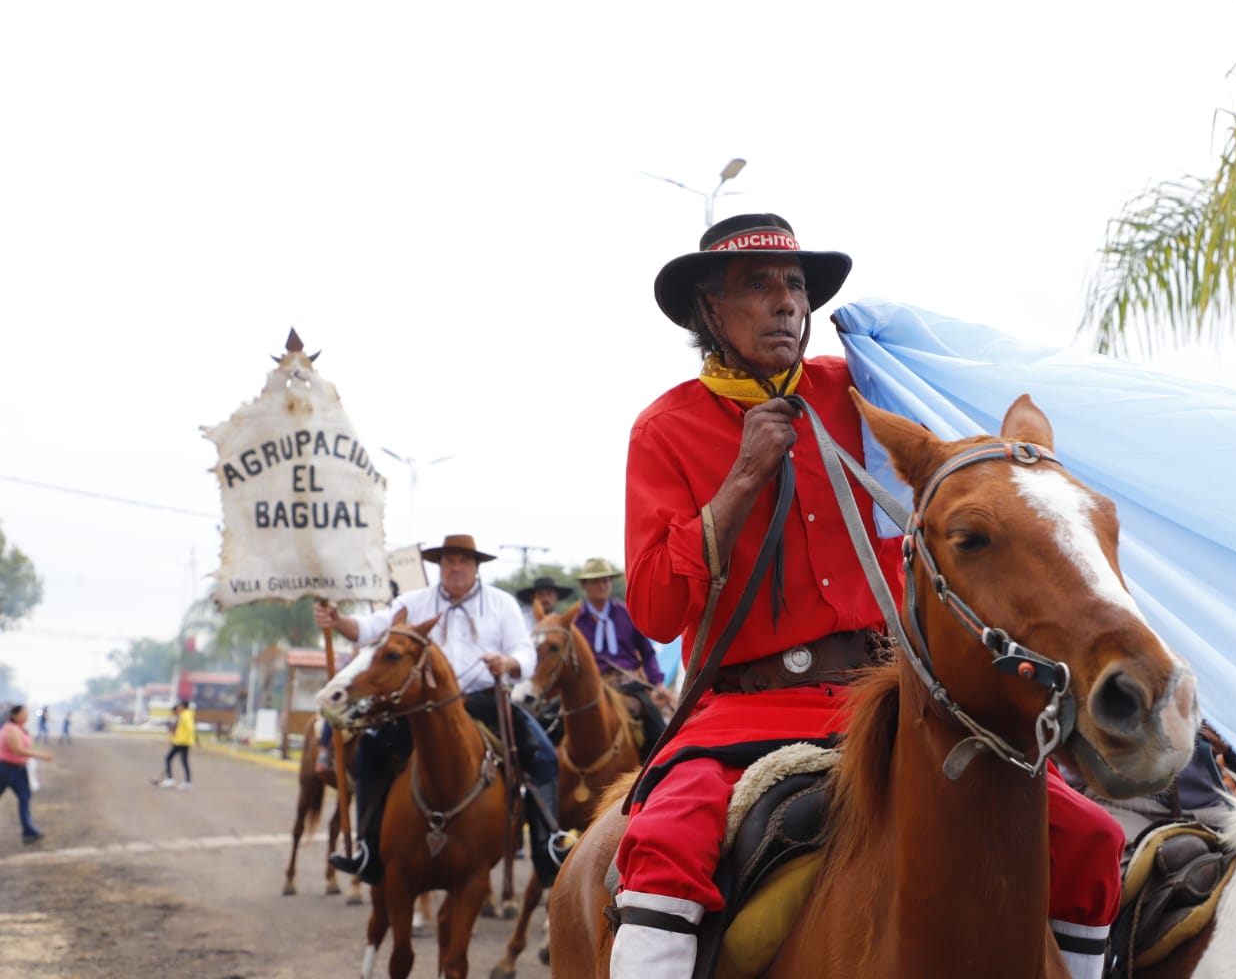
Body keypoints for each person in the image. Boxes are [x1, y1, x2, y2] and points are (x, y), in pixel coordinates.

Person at [611, 213, 1125, 979]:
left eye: (795, 285)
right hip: (749, 709)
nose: (786, 302)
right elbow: (653, 610)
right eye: (759, 286)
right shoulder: (665, 428)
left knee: (1091, 837)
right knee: (665, 846)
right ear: (709, 311)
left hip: (901, 696)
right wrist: (744, 476)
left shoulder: (866, 396)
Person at [314, 533, 561, 885]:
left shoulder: (502, 604)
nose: (455, 567)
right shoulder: (413, 601)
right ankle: (367, 849)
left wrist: (507, 662)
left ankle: (546, 845)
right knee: (370, 748)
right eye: (448, 561)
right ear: (439, 566)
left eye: (463, 561)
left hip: (484, 701)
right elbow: (370, 629)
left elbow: (527, 653)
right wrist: (338, 621)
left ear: (476, 567)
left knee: (544, 756)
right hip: (420, 705)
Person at [571, 556, 671, 750]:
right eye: (596, 581)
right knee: (553, 723)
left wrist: (658, 683)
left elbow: (648, 653)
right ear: (584, 586)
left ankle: (657, 769)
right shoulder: (576, 623)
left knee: (657, 730)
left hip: (629, 685)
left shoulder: (628, 614)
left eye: (606, 580)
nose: (602, 585)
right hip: (593, 686)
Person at [1, 703, 52, 844]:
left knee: (25, 796)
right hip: (5, 768)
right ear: (14, 715)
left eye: (27, 714)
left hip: (18, 769)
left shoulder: (19, 728)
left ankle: (28, 831)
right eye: (23, 714)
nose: (26, 716)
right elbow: (18, 750)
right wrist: (41, 755)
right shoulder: (11, 729)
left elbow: (26, 746)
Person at [155, 699, 197, 789]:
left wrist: (184, 739)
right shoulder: (185, 714)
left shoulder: (185, 716)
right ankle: (187, 782)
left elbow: (191, 729)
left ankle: (170, 779)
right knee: (184, 761)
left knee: (168, 758)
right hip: (182, 741)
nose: (178, 707)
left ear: (182, 706)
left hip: (181, 742)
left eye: (179, 705)